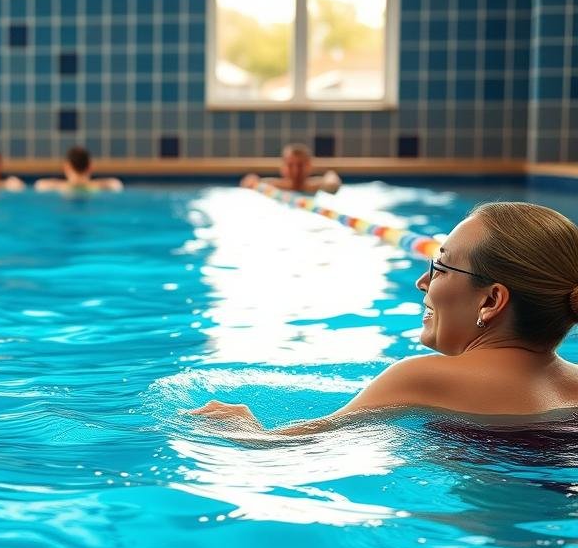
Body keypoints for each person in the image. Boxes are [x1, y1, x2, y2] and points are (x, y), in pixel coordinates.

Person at [192, 202, 578, 434]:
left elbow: (285, 449)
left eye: (441, 267)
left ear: (492, 300)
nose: (421, 281)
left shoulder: (421, 377)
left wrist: (239, 424)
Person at [240, 143, 341, 194]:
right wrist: (251, 180)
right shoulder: (273, 185)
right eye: (290, 165)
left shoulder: (317, 185)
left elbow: (333, 183)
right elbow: (248, 183)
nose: (296, 170)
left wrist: (331, 175)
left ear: (309, 166)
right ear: (283, 167)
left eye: (300, 165)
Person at [35, 146, 124, 193]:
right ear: (90, 167)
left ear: (67, 166)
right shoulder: (100, 187)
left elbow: (39, 185)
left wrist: (62, 185)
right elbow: (117, 185)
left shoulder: (58, 188)